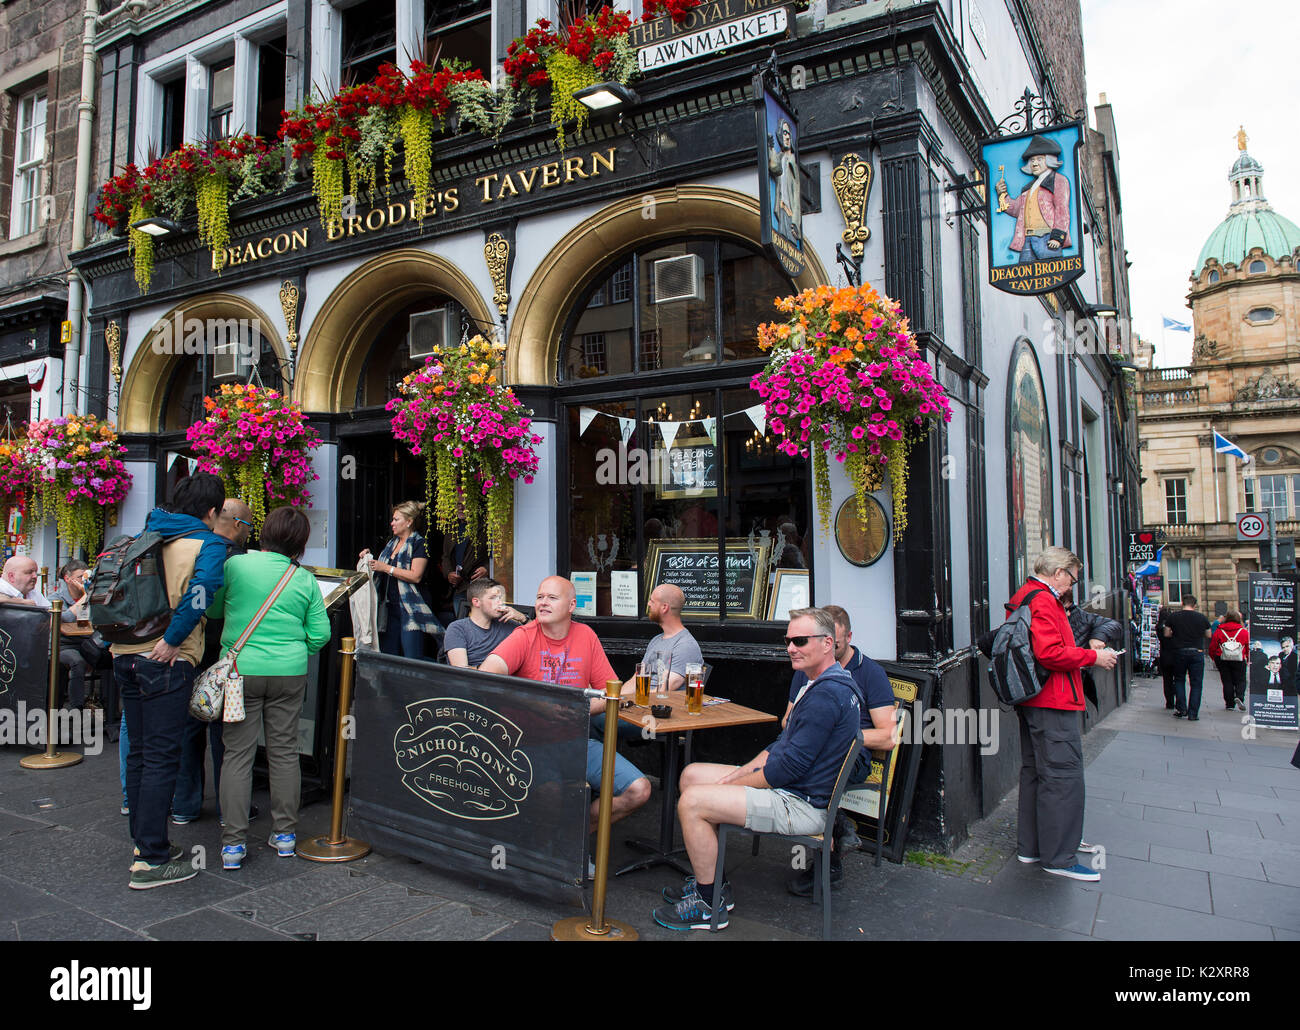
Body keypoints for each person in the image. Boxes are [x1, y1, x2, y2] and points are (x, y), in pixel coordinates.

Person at [653, 608, 860, 931]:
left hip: (800, 803)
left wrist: (735, 783)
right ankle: (715, 880)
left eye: (800, 640)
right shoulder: (822, 682)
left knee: (693, 802)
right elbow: (781, 746)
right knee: (691, 775)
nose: (791, 647)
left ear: (827, 643)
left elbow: (786, 769)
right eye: (789, 640)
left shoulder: (826, 696)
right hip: (793, 786)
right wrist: (739, 774)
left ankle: (709, 904)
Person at [112, 471, 228, 890]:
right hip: (167, 659)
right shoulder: (209, 541)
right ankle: (152, 862)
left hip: (126, 655)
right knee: (163, 756)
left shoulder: (147, 532)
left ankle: (145, 845)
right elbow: (204, 591)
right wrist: (174, 638)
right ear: (213, 511)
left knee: (141, 754)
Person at [210, 506, 330, 870]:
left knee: (237, 755)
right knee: (283, 753)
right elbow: (321, 634)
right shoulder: (305, 579)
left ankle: (233, 844)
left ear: (264, 533)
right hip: (288, 674)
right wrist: (295, 652)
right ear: (300, 543)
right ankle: (285, 835)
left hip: (239, 674)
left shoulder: (235, 565)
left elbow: (214, 611)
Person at [480, 576, 651, 832]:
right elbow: (484, 678)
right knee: (550, 795)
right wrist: (538, 706)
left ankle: (573, 842)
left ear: (571, 606)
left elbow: (609, 692)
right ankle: (548, 853)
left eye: (552, 598)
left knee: (639, 790)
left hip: (576, 740)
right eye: (540, 597)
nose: (543, 603)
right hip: (528, 744)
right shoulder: (523, 636)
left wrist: (582, 709)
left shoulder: (586, 635)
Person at [1008, 547, 1117, 883]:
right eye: (1071, 578)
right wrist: (1092, 657)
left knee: (1036, 773)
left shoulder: (1024, 595)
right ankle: (1059, 857)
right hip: (1053, 700)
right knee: (1063, 777)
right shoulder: (1043, 600)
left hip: (1034, 700)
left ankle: (1032, 847)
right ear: (1058, 572)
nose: (1072, 585)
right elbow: (1050, 653)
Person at [781, 603, 896, 896]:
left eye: (837, 642)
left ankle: (829, 866)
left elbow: (887, 737)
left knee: (808, 770)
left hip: (853, 758)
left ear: (845, 638)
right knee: (788, 763)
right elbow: (787, 719)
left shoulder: (870, 673)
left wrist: (838, 736)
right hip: (810, 750)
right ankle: (840, 828)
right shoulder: (807, 667)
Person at [171, 498, 255, 826]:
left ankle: (184, 805)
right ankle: (229, 809)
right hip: (226, 659)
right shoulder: (238, 560)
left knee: (187, 732)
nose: (249, 533)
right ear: (237, 524)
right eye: (249, 526)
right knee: (227, 737)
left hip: (188, 652)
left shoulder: (190, 549)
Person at [361, 501, 441, 660]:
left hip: (411, 608)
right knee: (388, 655)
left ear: (409, 522)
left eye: (396, 519)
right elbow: (380, 566)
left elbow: (415, 575)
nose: (392, 523)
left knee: (412, 657)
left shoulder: (419, 543)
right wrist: (368, 557)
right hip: (389, 608)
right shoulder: (392, 543)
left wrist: (386, 568)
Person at [995, 134, 1072, 263]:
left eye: (1039, 159)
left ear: (1049, 160)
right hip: (1027, 239)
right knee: (1025, 277)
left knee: (1052, 276)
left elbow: (1062, 210)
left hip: (1047, 238)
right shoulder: (1028, 188)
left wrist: (1057, 237)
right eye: (1032, 160)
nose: (1035, 163)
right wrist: (1002, 194)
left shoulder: (1058, 180)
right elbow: (1016, 209)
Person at [51, 560, 114, 712]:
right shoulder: (56, 598)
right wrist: (85, 597)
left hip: (89, 643)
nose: (84, 581)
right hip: (64, 644)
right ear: (68, 579)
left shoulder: (95, 596)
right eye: (80, 577)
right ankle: (76, 709)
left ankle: (110, 709)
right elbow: (62, 619)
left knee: (111, 658)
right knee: (77, 661)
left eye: (87, 577)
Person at [442, 578, 526, 668]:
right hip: (476, 680)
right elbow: (461, 671)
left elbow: (539, 637)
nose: (500, 602)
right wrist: (494, 668)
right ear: (476, 602)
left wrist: (523, 618)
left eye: (500, 598)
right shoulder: (458, 628)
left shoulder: (507, 623)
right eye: (493, 598)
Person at [1061, 588, 1123, 709]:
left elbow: (1114, 625)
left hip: (1073, 689)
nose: (1068, 613)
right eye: (1064, 609)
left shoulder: (1079, 617)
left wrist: (1098, 637)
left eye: (1069, 609)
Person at [1162, 595, 1212, 720]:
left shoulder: (1173, 617)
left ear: (1182, 603)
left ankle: (1181, 709)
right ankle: (1193, 714)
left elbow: (1167, 633)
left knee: (1179, 680)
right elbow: (1208, 634)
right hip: (1197, 651)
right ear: (1194, 605)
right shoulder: (1202, 617)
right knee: (1196, 684)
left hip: (1179, 651)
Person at [1209, 610, 1249, 711]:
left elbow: (1212, 646)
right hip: (1239, 658)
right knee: (1240, 680)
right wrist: (1248, 658)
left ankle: (1229, 704)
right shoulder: (1243, 631)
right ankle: (1239, 697)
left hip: (1222, 658)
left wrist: (1214, 657)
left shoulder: (1219, 630)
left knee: (1227, 681)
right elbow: (1248, 646)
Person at [1154, 603, 1178, 709]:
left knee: (1167, 680)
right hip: (1176, 655)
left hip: (1164, 655)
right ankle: (1179, 701)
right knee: (1178, 679)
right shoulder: (1173, 628)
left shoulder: (1158, 628)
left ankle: (1169, 702)